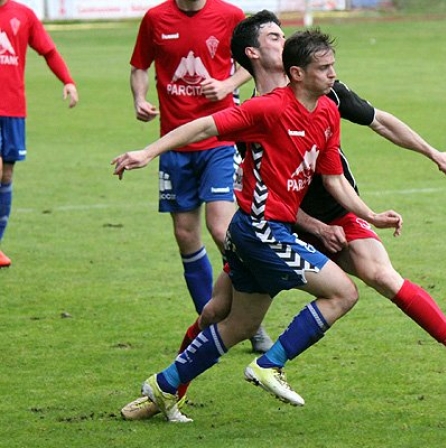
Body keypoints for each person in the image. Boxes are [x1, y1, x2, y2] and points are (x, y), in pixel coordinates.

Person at [112, 28, 403, 422]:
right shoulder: (267, 108)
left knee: (238, 323)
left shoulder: (328, 112)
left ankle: (163, 387)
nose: (334, 74)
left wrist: (370, 216)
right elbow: (203, 127)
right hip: (264, 229)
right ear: (297, 73)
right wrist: (148, 151)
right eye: (325, 68)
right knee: (343, 293)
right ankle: (271, 364)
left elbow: (333, 181)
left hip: (260, 231)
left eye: (334, 66)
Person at [128, 0, 272, 351]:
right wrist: (140, 98)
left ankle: (251, 321)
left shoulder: (230, 16)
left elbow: (253, 63)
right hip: (174, 144)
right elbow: (139, 66)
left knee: (221, 228)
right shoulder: (155, 18)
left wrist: (227, 85)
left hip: (219, 140)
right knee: (185, 234)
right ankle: (209, 321)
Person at [0, 0, 78, 268]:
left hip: (13, 109)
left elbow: (48, 51)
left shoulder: (24, 15)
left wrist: (67, 80)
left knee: (6, 174)